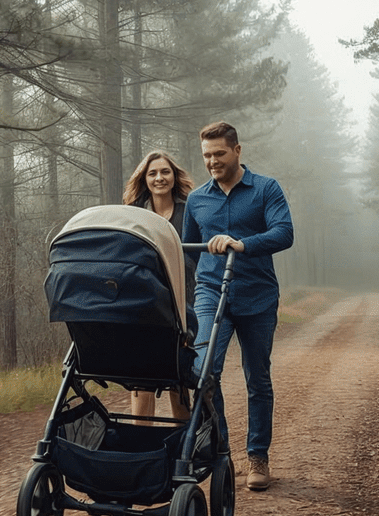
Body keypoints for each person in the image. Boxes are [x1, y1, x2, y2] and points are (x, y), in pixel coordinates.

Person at [181, 122, 294, 491]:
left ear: (237, 150)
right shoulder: (197, 200)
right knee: (204, 374)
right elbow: (188, 250)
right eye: (206, 156)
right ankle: (222, 453)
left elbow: (284, 233)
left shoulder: (266, 188)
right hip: (211, 292)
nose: (212, 161)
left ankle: (258, 455)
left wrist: (241, 243)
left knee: (257, 377)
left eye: (219, 153)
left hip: (258, 296)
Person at [119, 150, 196, 420]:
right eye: (152, 173)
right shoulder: (132, 214)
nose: (159, 178)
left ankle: (182, 448)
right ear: (145, 179)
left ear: (175, 177)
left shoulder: (190, 212)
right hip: (142, 305)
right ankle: (142, 445)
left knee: (178, 380)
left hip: (181, 305)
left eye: (165, 172)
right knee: (142, 381)